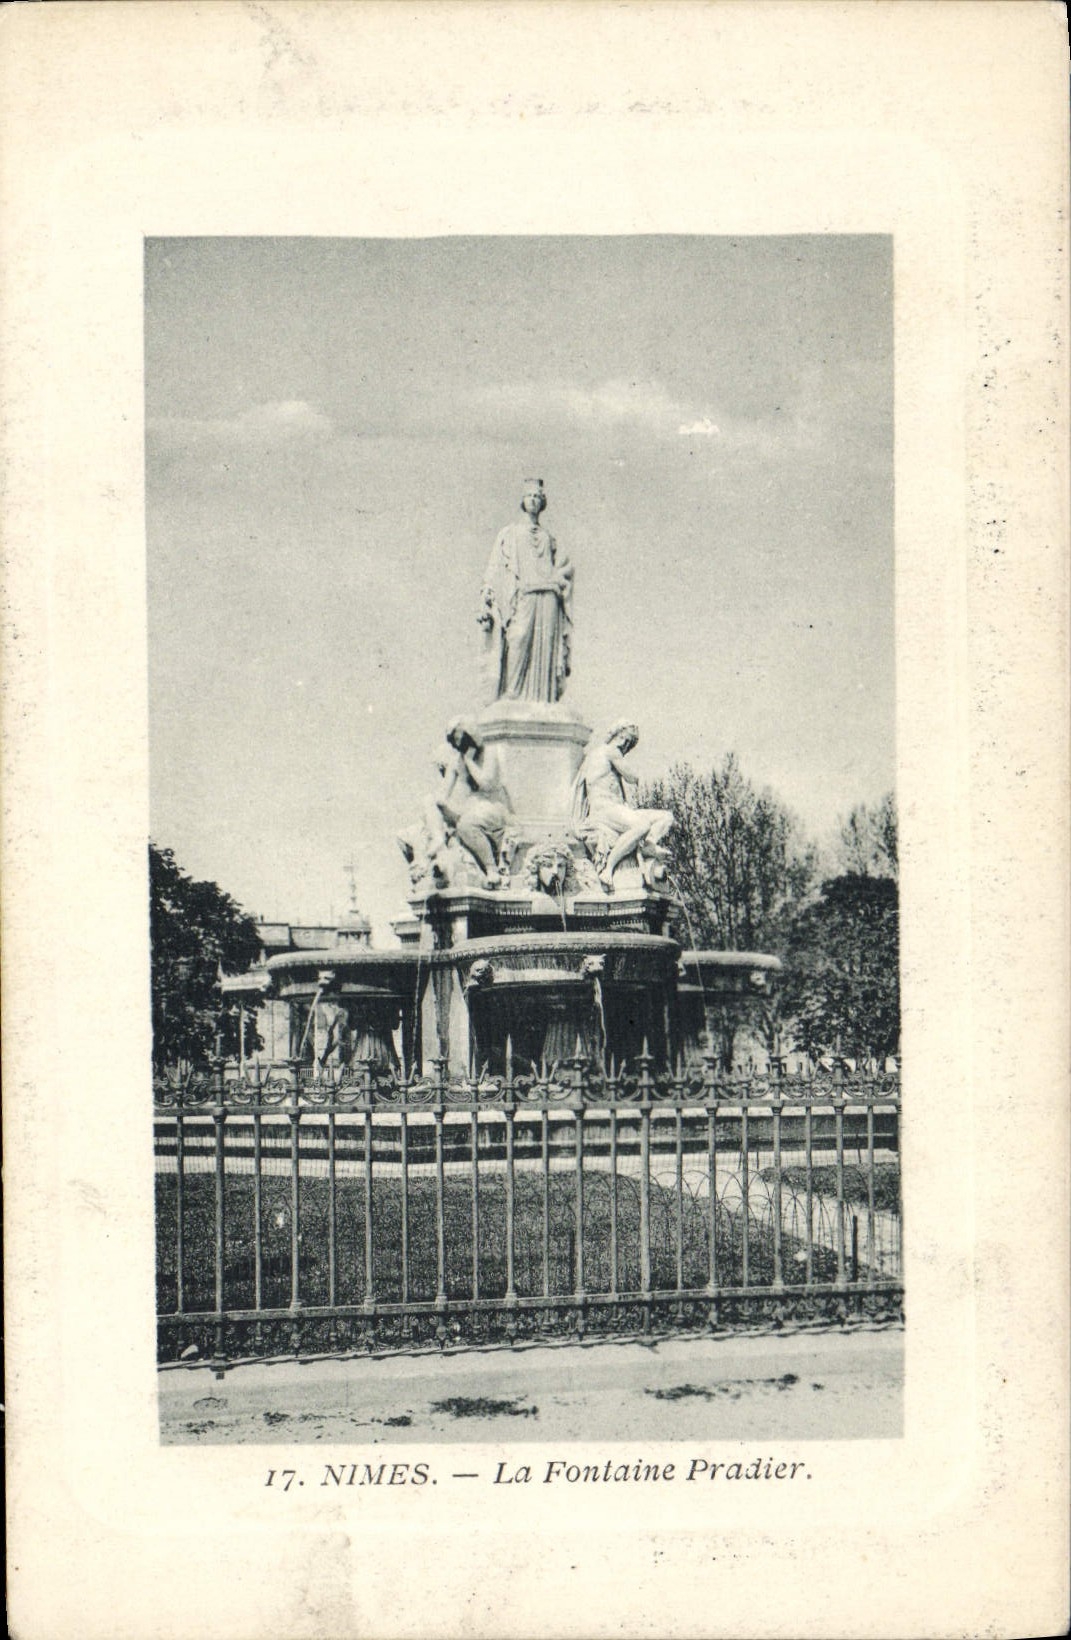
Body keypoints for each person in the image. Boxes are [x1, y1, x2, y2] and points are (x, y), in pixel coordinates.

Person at [478, 478, 573, 703]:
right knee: (518, 638)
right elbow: (494, 567)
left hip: (548, 597)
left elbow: (563, 568)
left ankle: (543, 698)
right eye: (529, 496)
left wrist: (558, 580)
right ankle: (512, 693)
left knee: (545, 648)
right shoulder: (510, 533)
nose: (533, 500)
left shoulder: (548, 538)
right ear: (523, 500)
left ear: (543, 503)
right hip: (524, 595)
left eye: (538, 497)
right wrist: (486, 595)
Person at [572, 721, 674, 888]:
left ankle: (648, 845)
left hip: (616, 809)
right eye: (628, 741)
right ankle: (608, 868)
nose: (626, 747)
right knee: (641, 826)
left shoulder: (597, 755)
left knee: (665, 818)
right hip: (605, 810)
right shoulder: (610, 751)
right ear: (620, 738)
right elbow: (632, 777)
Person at [437, 718, 512, 887]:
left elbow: (487, 783)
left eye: (459, 738)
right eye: (454, 740)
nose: (457, 744)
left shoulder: (490, 752)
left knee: (466, 825)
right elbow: (442, 793)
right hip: (471, 808)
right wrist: (442, 805)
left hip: (493, 805)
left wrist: (470, 761)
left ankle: (491, 868)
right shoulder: (457, 760)